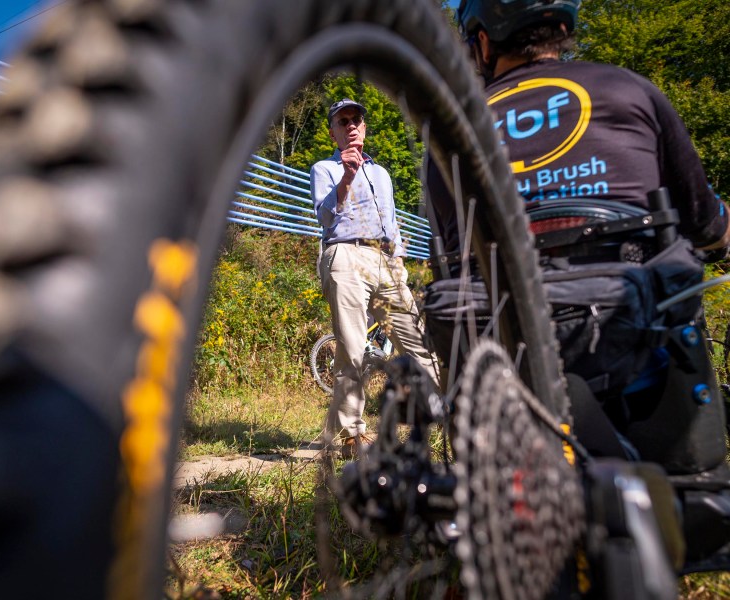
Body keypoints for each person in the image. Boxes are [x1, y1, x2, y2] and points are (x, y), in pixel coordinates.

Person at [425, 0, 730, 457]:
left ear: (483, 42)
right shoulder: (628, 89)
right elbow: (707, 227)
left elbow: (454, 255)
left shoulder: (448, 133)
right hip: (630, 334)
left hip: (502, 349)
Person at [311, 98, 439, 456]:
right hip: (345, 253)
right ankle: (352, 435)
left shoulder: (382, 173)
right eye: (343, 121)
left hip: (384, 259)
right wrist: (347, 178)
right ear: (334, 131)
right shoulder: (325, 168)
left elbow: (392, 220)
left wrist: (397, 259)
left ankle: (438, 413)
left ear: (364, 129)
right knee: (352, 347)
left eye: (356, 120)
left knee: (416, 341)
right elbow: (324, 217)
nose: (351, 125)